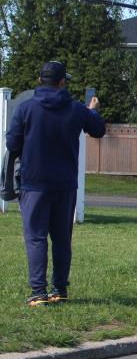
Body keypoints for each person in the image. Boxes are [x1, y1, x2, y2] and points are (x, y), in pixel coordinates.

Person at [5, 61, 105, 307]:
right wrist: (93, 110)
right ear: (62, 82)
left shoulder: (26, 109)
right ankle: (59, 289)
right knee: (61, 239)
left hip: (34, 183)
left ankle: (38, 292)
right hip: (65, 184)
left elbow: (12, 144)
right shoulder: (76, 109)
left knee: (36, 237)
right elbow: (98, 130)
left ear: (40, 80)